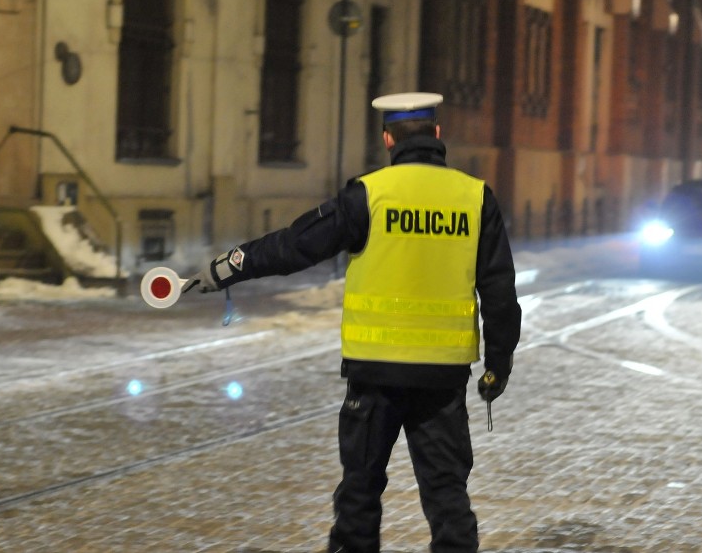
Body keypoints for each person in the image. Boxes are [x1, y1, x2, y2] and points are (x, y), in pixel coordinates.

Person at [184, 92, 521, 553]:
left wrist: (229, 266)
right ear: (437, 135)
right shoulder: (474, 197)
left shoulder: (368, 194)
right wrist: (498, 365)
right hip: (443, 379)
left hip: (374, 375)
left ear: (388, 139)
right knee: (446, 495)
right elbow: (500, 290)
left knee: (360, 492)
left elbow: (294, 246)